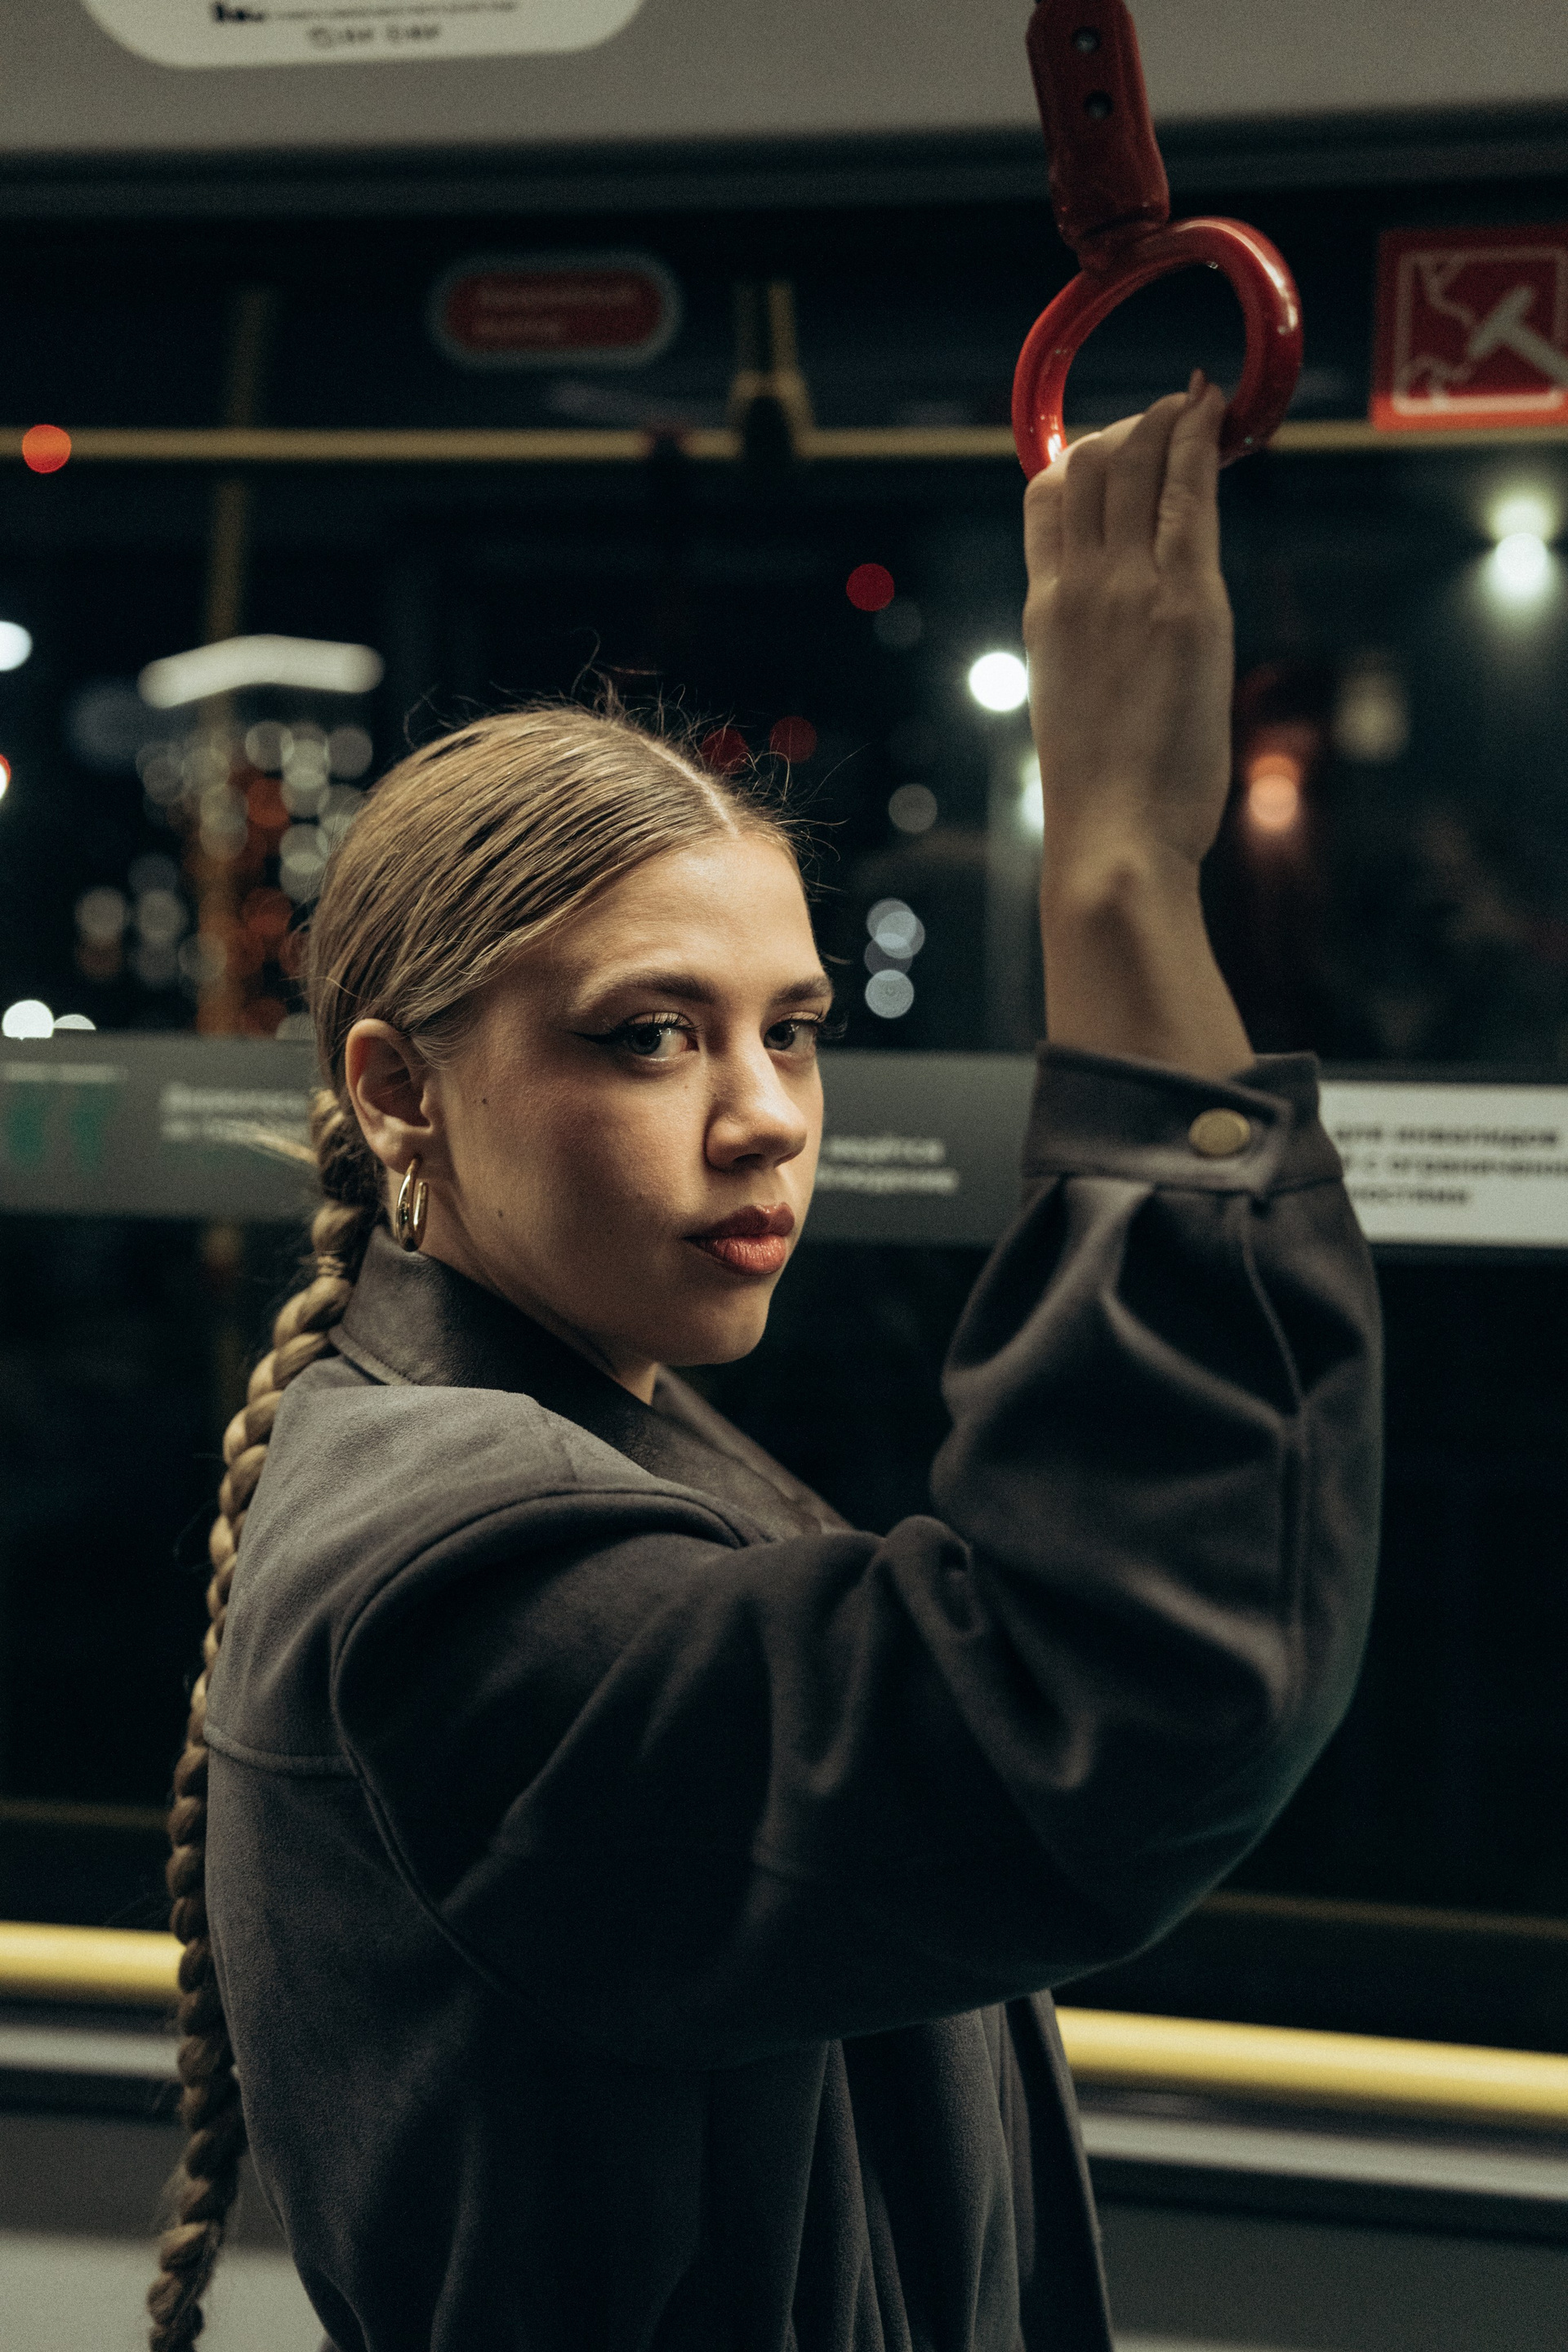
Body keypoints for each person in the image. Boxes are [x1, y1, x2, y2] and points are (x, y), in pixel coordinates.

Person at [147, 378, 1381, 2352]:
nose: (765, 1118)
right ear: (398, 1090)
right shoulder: (463, 1589)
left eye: (789, 1030)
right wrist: (1124, 873)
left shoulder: (563, 1450)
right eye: (650, 1036)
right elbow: (1115, 1700)